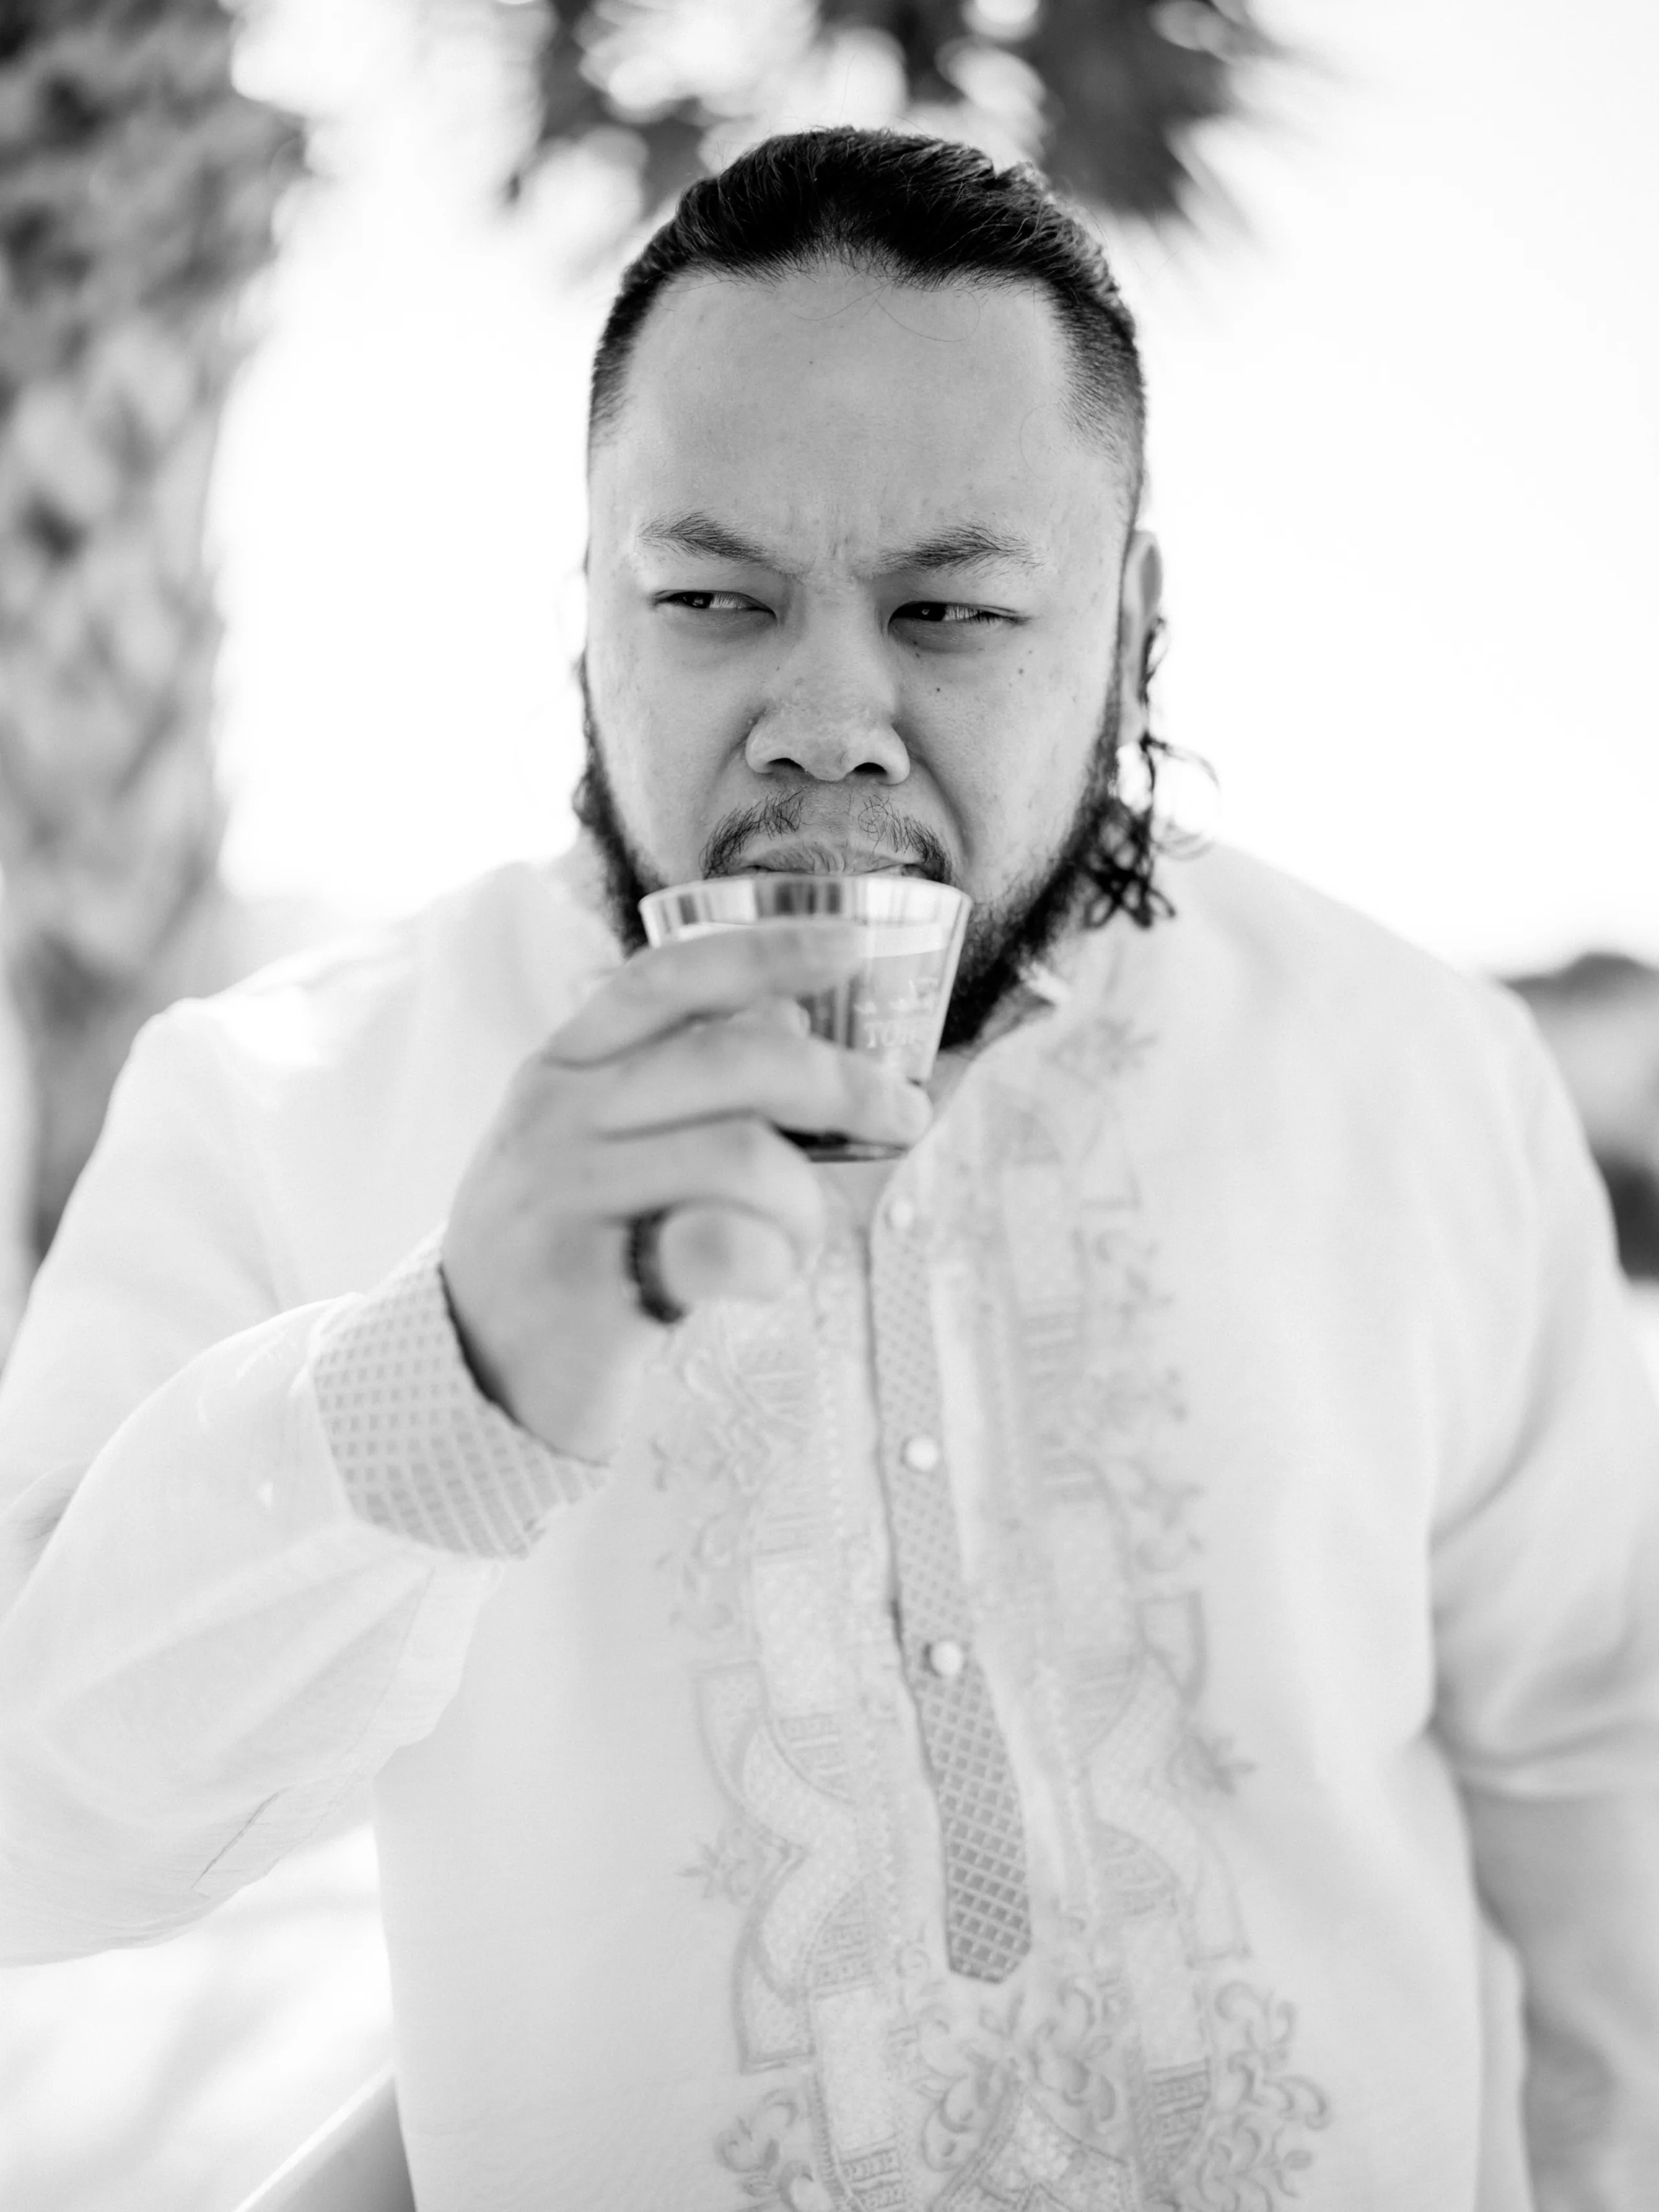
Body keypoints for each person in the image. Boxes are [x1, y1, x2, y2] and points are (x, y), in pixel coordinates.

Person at [0, 128, 1655, 2212]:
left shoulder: (1424, 1081)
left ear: (1131, 629)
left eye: (951, 608)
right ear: (588, 603)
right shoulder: (280, 1100)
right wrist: (450, 1368)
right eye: (713, 598)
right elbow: (33, 1842)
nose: (827, 718)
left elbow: (1604, 1779)